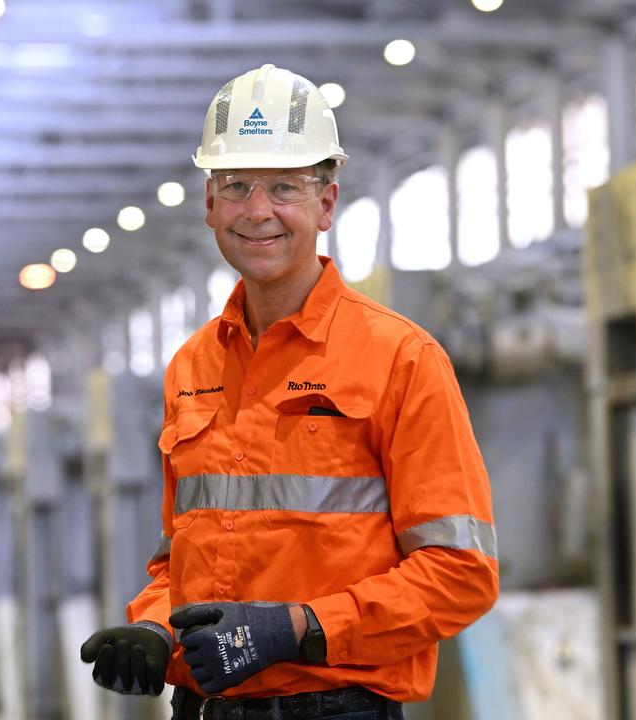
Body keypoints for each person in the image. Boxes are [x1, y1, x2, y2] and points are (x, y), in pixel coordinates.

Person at [80, 64, 499, 720]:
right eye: (236, 185)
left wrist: (297, 627)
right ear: (209, 204)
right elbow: (184, 559)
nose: (258, 211)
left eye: (284, 187)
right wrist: (156, 629)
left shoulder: (401, 359)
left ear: (326, 204)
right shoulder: (192, 368)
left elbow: (461, 574)